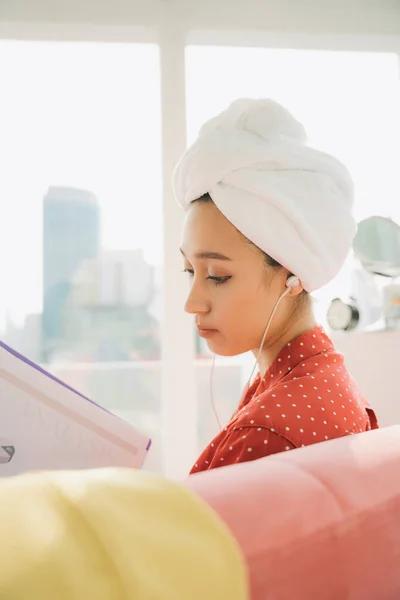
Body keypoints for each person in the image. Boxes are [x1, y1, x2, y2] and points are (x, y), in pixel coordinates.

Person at [173, 98, 378, 474]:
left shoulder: (268, 434)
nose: (193, 303)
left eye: (217, 275)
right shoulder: (319, 379)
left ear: (292, 275)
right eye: (190, 271)